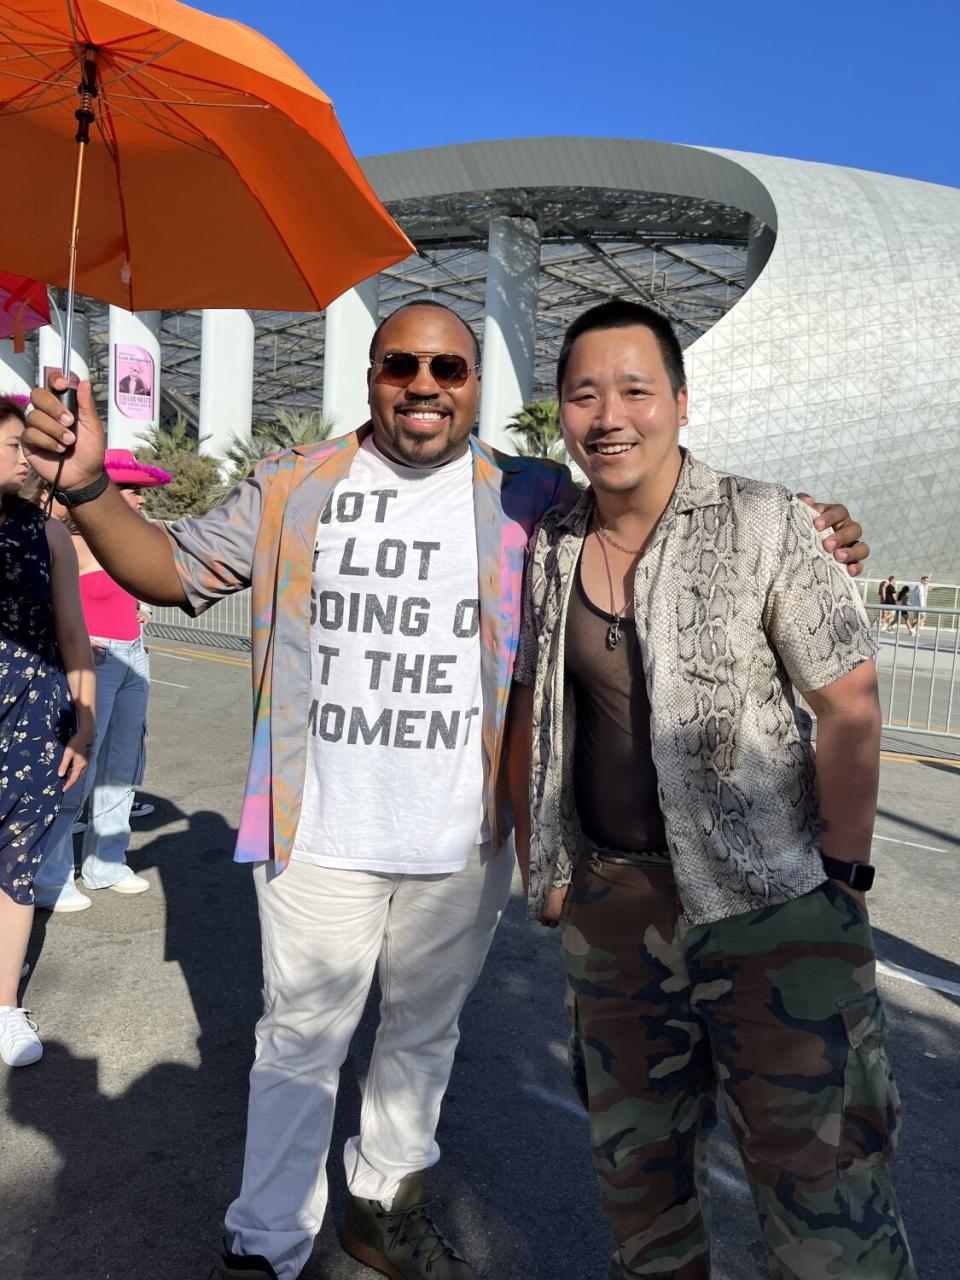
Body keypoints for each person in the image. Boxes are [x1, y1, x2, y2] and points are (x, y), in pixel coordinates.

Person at [23, 301, 868, 1280]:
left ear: (476, 385)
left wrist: (813, 525)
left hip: (465, 836)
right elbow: (167, 569)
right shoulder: (296, 487)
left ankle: (383, 1205)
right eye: (401, 365)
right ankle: (266, 1235)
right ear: (374, 375)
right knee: (298, 1040)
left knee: (423, 1036)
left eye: (448, 369)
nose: (423, 384)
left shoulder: (531, 495)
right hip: (320, 827)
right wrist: (85, 485)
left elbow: (660, 495)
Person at [510, 301, 912, 1280]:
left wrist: (843, 873)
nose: (609, 413)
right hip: (615, 911)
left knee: (825, 1195)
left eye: (635, 389)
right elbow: (537, 706)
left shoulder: (766, 518)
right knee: (639, 1185)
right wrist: (548, 868)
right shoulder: (551, 538)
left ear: (680, 403)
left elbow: (850, 700)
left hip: (772, 905)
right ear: (561, 411)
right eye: (583, 392)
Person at [31, 449, 171, 910]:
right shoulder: (68, 541)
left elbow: (127, 585)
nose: (140, 500)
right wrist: (74, 640)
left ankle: (105, 864)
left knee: (122, 767)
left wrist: (139, 607)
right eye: (132, 490)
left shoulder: (125, 543)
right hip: (96, 661)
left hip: (133, 657)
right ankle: (52, 878)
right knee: (79, 767)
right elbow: (35, 605)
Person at [0, 395, 94, 1067]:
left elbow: (74, 635)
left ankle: (4, 1007)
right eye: (12, 447)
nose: (23, 458)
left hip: (32, 720)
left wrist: (83, 725)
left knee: (16, 868)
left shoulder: (48, 533)